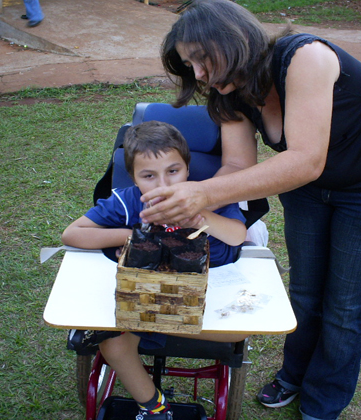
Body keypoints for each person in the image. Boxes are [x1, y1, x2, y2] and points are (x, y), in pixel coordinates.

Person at [138, 1, 361, 419]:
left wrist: (203, 195)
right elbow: (238, 166)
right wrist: (193, 200)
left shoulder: (306, 57)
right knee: (304, 293)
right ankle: (294, 375)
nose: (198, 74)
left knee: (345, 305)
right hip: (308, 190)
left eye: (200, 58)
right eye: (189, 65)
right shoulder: (229, 91)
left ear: (231, 39)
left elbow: (306, 159)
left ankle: (323, 400)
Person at [61, 120, 248, 419]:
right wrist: (133, 235)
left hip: (208, 305)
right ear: (134, 178)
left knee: (240, 331)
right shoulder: (128, 202)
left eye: (173, 171)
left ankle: (135, 328)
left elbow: (238, 236)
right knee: (113, 345)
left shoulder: (209, 195)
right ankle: (154, 406)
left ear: (187, 168)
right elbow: (72, 234)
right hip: (145, 299)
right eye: (149, 176)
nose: (164, 185)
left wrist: (200, 216)